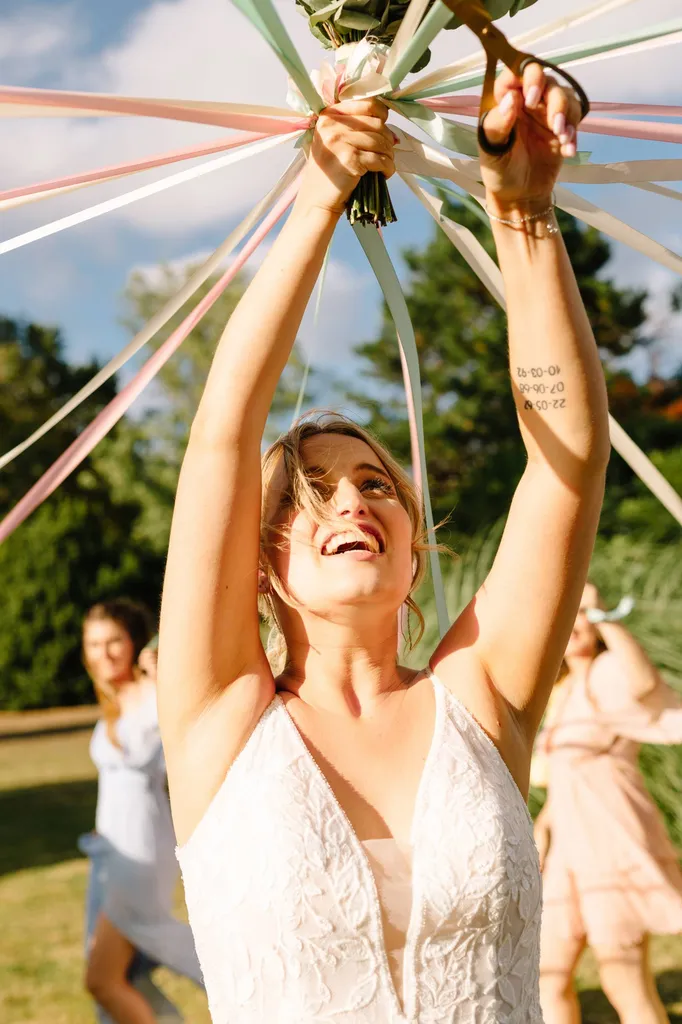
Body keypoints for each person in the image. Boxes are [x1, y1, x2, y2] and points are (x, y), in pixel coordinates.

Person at [158, 63, 611, 1023]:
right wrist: (319, 195)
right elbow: (221, 439)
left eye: (376, 486)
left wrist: (523, 214)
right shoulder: (218, 720)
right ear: (261, 556)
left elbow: (566, 465)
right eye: (312, 493)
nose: (350, 503)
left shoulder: (481, 698)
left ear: (413, 551)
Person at [534, 582, 682, 1024]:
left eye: (584, 615)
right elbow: (565, 776)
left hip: (609, 839)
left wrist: (603, 614)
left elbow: (645, 683)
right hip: (567, 848)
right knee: (547, 977)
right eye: (570, 614)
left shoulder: (609, 673)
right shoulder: (562, 693)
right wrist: (543, 825)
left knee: (623, 981)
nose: (576, 623)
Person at [79, 599, 203, 1024]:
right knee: (127, 976)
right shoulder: (113, 703)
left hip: (141, 849)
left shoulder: (156, 695)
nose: (104, 653)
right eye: (94, 643)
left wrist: (163, 679)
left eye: (113, 640)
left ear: (133, 643)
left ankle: (247, 981)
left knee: (102, 978)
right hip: (112, 851)